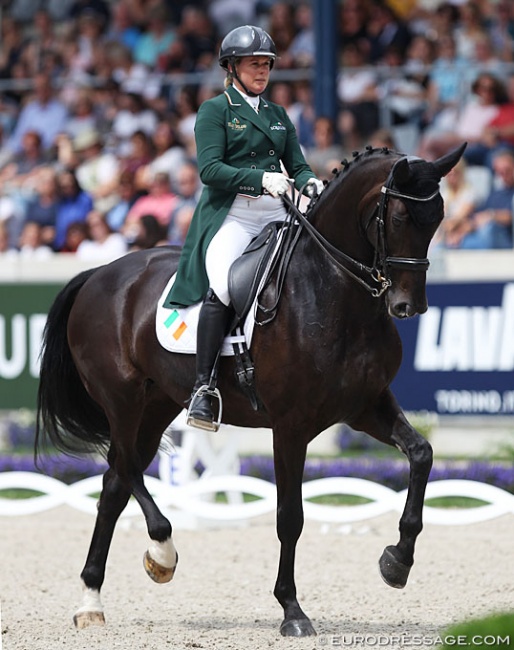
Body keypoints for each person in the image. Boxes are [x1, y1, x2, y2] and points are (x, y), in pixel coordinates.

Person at [162, 25, 324, 430]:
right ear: (232, 67)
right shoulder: (215, 110)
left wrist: (308, 181)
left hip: (276, 212)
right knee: (222, 285)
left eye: (267, 65)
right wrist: (260, 179)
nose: (263, 71)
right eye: (255, 64)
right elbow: (210, 169)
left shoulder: (278, 114)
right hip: (233, 215)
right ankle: (204, 388)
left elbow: (298, 164)